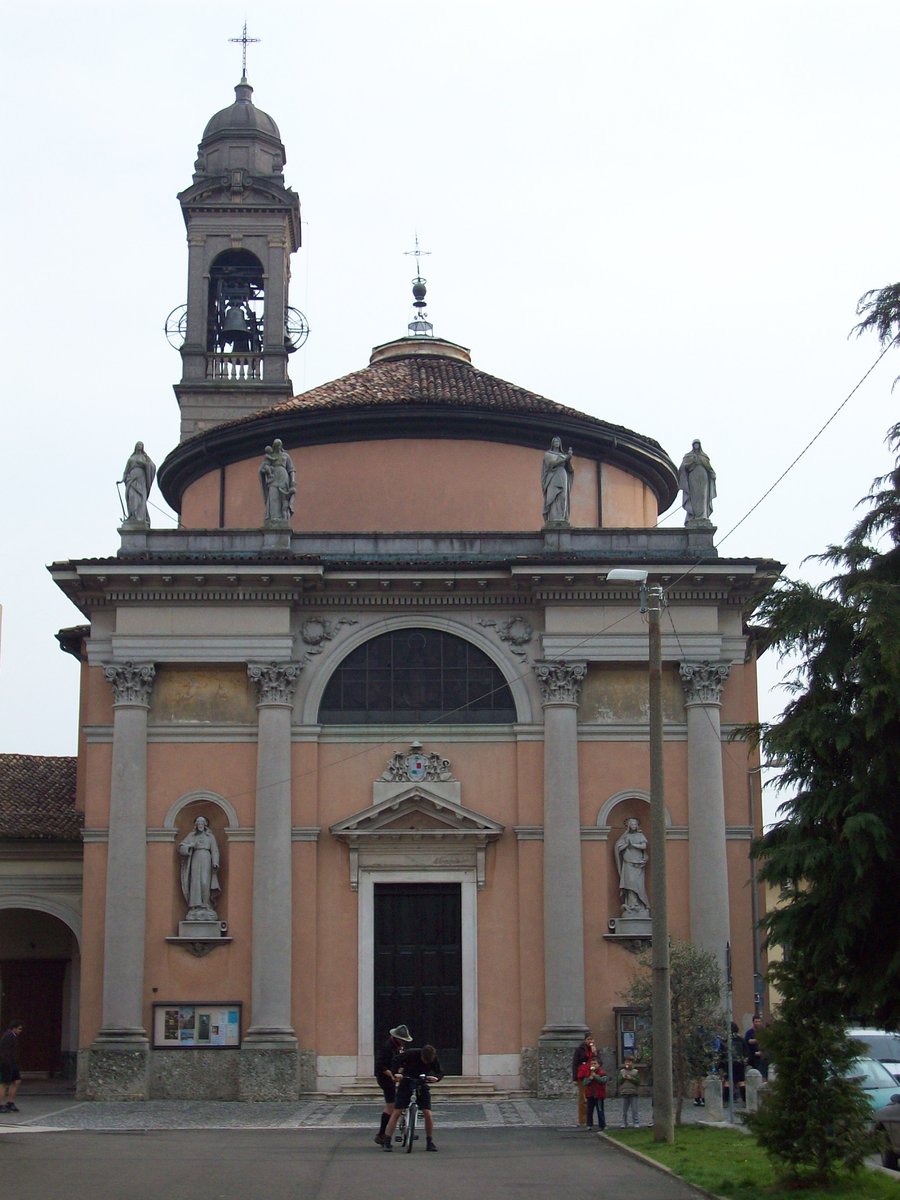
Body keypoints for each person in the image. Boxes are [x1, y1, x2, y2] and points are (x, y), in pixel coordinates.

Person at [382, 1043, 444, 1152]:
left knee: (427, 1113)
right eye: (425, 1060)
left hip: (422, 1083)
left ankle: (429, 1141)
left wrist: (436, 1078)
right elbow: (396, 1060)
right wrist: (396, 1073)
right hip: (407, 1081)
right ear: (421, 1055)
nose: (426, 1063)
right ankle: (387, 1141)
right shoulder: (411, 1053)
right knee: (397, 1111)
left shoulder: (433, 1058)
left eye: (428, 1062)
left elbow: (440, 1072)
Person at [373, 1023, 412, 1145]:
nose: (404, 1043)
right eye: (402, 1040)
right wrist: (391, 1075)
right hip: (385, 1077)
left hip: (395, 1074)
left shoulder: (399, 1047)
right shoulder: (386, 1047)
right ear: (396, 1038)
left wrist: (401, 1072)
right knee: (391, 1106)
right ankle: (381, 1134)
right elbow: (381, 1065)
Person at [178, 815, 221, 918]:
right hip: (195, 858)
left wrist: (215, 862)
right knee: (195, 881)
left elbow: (215, 850)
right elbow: (181, 847)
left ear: (205, 824)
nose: (200, 825)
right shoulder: (192, 836)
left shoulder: (210, 837)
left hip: (206, 857)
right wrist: (189, 846)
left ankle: (206, 904)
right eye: (198, 823)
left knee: (205, 881)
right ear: (196, 825)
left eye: (202, 823)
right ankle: (195, 906)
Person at [614, 817, 650, 916]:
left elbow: (644, 846)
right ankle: (631, 905)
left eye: (635, 824)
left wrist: (633, 845)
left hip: (638, 864)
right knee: (630, 885)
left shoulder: (640, 835)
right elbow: (619, 848)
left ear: (637, 825)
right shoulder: (625, 836)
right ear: (629, 826)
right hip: (628, 863)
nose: (633, 826)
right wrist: (626, 845)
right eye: (631, 824)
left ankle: (641, 904)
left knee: (638, 885)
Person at [678, 439, 716, 524]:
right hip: (693, 477)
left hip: (703, 478)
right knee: (694, 496)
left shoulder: (704, 456)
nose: (696, 446)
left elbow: (709, 468)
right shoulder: (688, 456)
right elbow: (682, 468)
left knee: (703, 496)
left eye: (697, 444)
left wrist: (712, 474)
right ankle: (693, 515)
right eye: (694, 444)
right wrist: (692, 462)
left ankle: (703, 516)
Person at [260, 438, 296, 523]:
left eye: (279, 445)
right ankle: (273, 518)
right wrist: (265, 470)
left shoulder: (286, 456)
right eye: (276, 445)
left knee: (284, 499)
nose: (278, 447)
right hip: (273, 478)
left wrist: (293, 482)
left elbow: (292, 470)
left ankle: (284, 519)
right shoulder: (270, 456)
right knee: (273, 496)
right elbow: (264, 467)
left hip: (284, 477)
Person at [122, 441, 156, 526]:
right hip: (131, 479)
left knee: (141, 498)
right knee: (132, 497)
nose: (139, 446)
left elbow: (152, 466)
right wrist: (123, 479)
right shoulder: (131, 459)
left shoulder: (145, 457)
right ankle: (133, 516)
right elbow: (126, 471)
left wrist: (144, 464)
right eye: (138, 444)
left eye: (141, 445)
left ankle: (140, 518)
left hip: (141, 479)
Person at [541, 437, 574, 524]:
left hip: (563, 475)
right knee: (552, 497)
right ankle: (553, 519)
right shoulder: (548, 454)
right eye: (555, 441)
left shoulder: (563, 455)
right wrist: (565, 459)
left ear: (560, 444)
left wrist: (569, 460)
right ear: (552, 443)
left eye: (558, 441)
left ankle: (562, 518)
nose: (556, 443)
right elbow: (551, 464)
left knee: (563, 497)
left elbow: (570, 469)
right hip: (553, 477)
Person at [577, 1054, 608, 1130]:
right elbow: (584, 1083)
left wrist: (596, 1076)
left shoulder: (602, 1073)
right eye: (592, 1064)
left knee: (600, 1110)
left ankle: (602, 1125)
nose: (593, 1065)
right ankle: (589, 1124)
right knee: (589, 1110)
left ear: (599, 1065)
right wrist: (589, 1078)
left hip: (599, 1095)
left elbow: (603, 1081)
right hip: (590, 1094)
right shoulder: (588, 1073)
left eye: (595, 1064)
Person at [571, 1033, 595, 1126]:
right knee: (583, 1098)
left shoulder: (594, 1050)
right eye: (588, 1039)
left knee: (592, 1098)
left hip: (592, 1075)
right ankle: (582, 1120)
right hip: (583, 1075)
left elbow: (598, 1062)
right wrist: (575, 1077)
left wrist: (594, 1053)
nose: (590, 1042)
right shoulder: (579, 1050)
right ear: (585, 1040)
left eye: (592, 1040)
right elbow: (575, 1063)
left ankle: (590, 1120)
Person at [0, 1022, 23, 1113]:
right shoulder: (8, 1037)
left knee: (16, 1081)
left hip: (12, 1063)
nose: (20, 1031)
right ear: (13, 1028)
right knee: (3, 1084)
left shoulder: (12, 1036)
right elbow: (4, 1052)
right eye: (19, 1029)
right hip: (7, 1063)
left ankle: (10, 1102)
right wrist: (7, 1063)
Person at [618, 1055, 640, 1128]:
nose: (627, 1063)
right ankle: (624, 1122)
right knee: (624, 1110)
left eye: (629, 1062)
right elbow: (619, 1081)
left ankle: (636, 1122)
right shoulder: (622, 1072)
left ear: (632, 1063)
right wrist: (623, 1078)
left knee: (634, 1110)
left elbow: (638, 1082)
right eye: (626, 1062)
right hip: (624, 1092)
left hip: (633, 1093)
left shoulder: (635, 1072)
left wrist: (631, 1078)